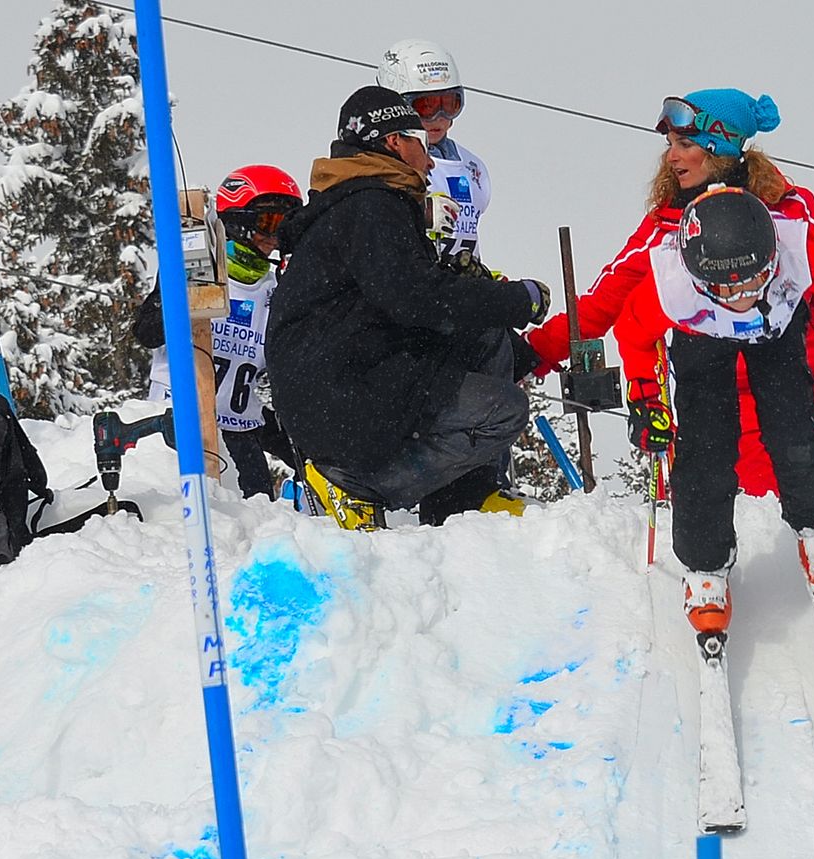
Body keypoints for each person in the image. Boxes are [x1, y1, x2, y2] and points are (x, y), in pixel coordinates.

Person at [528, 88, 814, 495]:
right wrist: (530, 354)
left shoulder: (787, 209)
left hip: (807, 392)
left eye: (684, 145)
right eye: (670, 145)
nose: (671, 157)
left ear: (718, 149)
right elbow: (601, 306)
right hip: (721, 404)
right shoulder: (668, 228)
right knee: (751, 518)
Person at [614, 188, 814, 634]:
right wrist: (646, 401)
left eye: (751, 279)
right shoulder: (671, 284)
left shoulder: (800, 251)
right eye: (728, 287)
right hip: (702, 336)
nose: (741, 295)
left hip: (776, 327)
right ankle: (704, 565)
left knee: (795, 423)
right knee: (704, 447)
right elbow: (634, 335)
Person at [265, 85, 551, 530]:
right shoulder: (372, 204)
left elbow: (403, 297)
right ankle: (354, 485)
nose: (431, 160)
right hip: (341, 391)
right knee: (504, 410)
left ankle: (463, 498)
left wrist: (504, 329)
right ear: (394, 141)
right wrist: (517, 300)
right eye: (421, 140)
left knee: (487, 339)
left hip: (345, 376)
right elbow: (416, 300)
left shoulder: (361, 201)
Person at [133, 164, 303, 499]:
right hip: (179, 426)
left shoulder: (277, 289)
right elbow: (147, 333)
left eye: (285, 228)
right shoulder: (197, 269)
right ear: (238, 220)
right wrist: (181, 291)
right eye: (269, 223)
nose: (275, 238)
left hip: (242, 434)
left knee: (255, 521)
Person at [377, 38, 490, 264]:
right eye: (425, 107)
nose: (438, 118)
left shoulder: (473, 168)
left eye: (448, 105)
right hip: (415, 278)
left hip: (455, 283)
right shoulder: (385, 165)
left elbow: (468, 238)